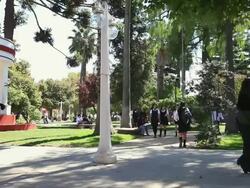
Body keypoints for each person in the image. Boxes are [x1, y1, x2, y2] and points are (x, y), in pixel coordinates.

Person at [236, 78, 250, 174]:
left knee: (247, 143)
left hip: (242, 120)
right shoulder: (246, 95)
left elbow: (239, 107)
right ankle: (242, 161)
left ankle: (246, 165)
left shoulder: (242, 94)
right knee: (248, 144)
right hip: (246, 119)